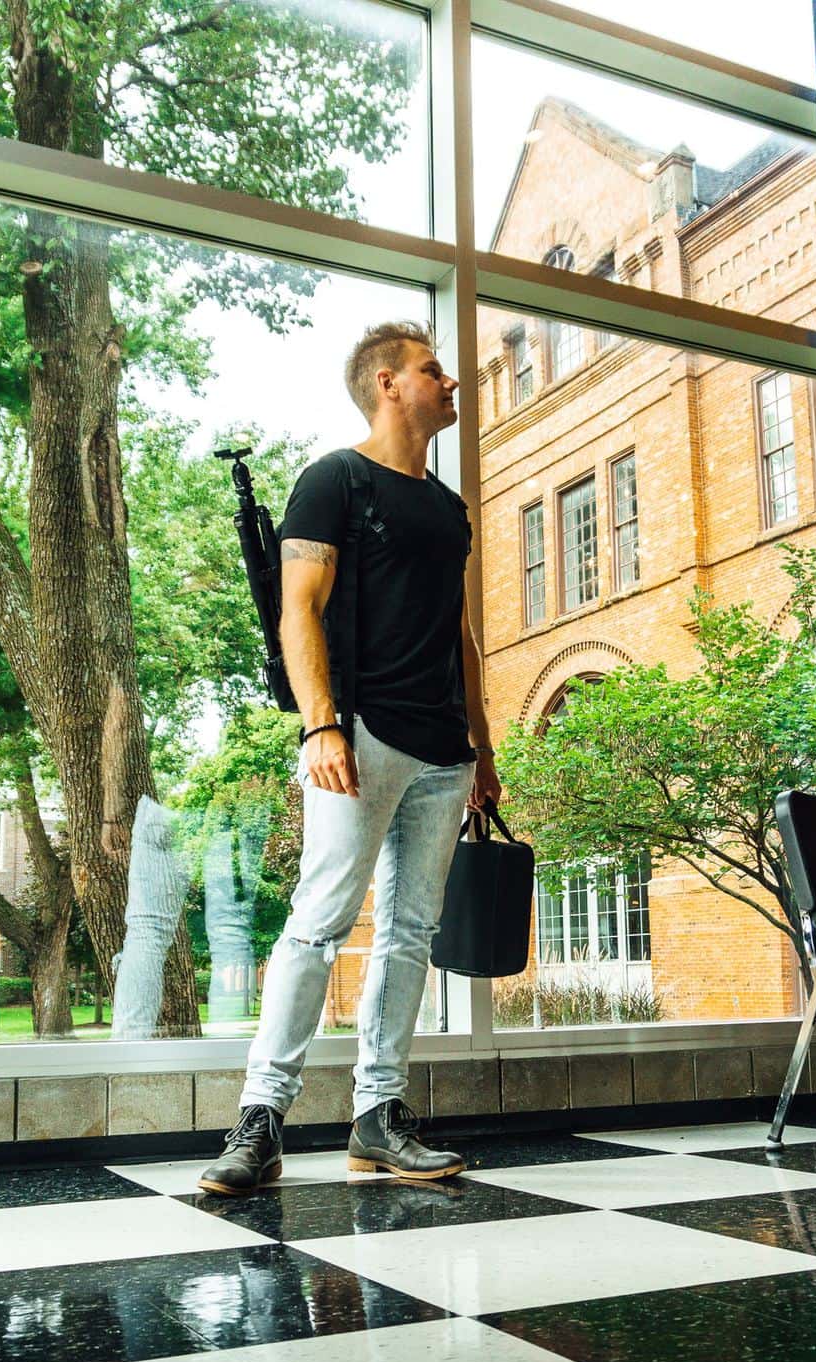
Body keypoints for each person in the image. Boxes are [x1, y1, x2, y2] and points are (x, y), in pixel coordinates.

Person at [199, 321, 500, 1196]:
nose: (451, 382)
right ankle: (260, 1119)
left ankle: (379, 1116)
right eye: (432, 370)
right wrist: (320, 725)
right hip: (361, 735)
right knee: (320, 920)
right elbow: (300, 608)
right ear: (386, 384)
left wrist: (480, 746)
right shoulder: (335, 479)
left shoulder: (447, 509)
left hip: (444, 752)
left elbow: (461, 635)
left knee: (410, 934)